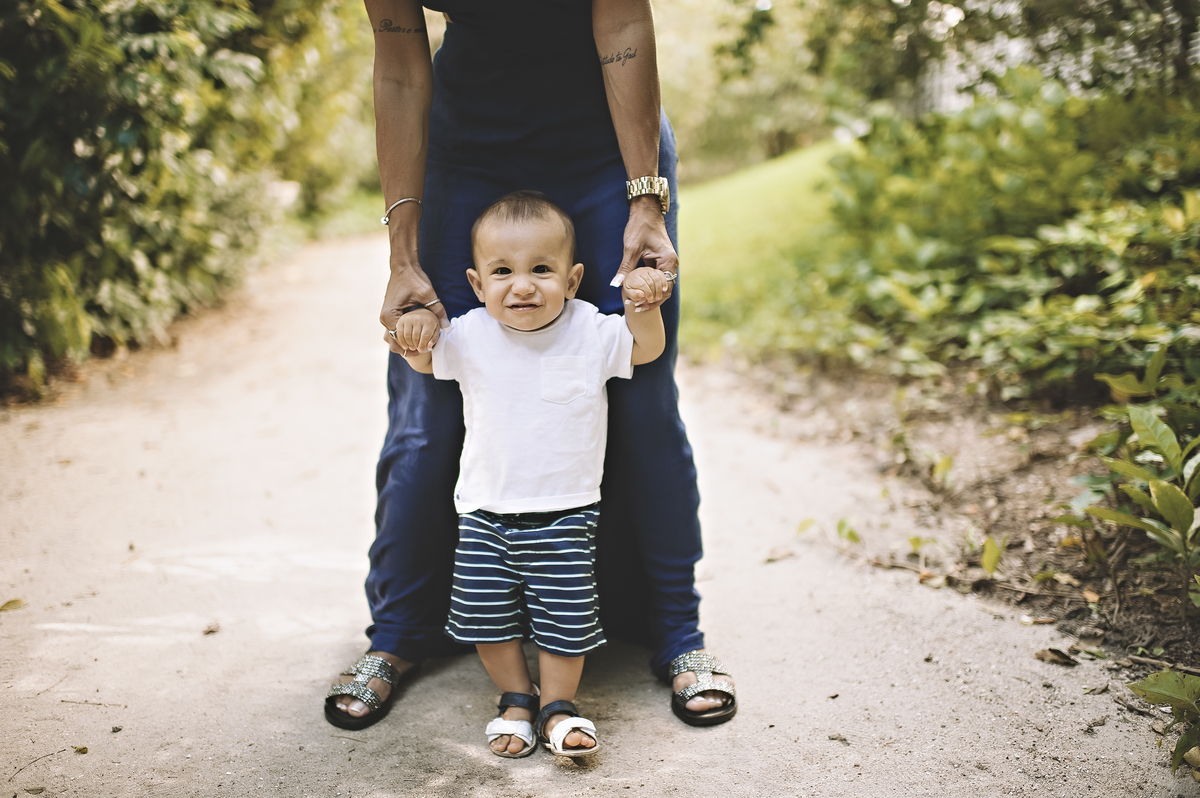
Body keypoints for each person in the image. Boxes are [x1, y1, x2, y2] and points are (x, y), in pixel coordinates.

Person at [325, 0, 737, 732]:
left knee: (641, 395)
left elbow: (623, 24)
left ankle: (679, 633)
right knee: (427, 405)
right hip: (462, 152)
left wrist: (646, 201)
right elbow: (398, 62)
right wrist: (403, 253)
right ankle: (396, 633)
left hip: (607, 147)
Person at [394, 190, 670, 757]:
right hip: (484, 507)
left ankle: (558, 706)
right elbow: (424, 359)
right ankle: (515, 698)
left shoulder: (590, 329)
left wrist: (644, 308)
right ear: (476, 284)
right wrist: (414, 329)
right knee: (487, 617)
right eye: (503, 271)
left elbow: (644, 351)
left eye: (541, 270)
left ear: (571, 281)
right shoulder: (469, 334)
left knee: (566, 617)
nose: (522, 285)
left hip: (565, 509)